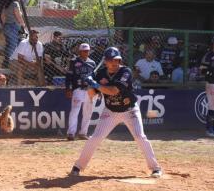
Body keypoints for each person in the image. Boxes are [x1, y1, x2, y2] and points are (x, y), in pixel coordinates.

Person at [69, 47, 162, 178]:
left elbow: (113, 91)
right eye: (110, 60)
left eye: (116, 60)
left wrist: (95, 84)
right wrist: (89, 84)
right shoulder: (100, 74)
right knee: (95, 138)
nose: (114, 62)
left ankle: (155, 168)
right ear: (105, 61)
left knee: (140, 137)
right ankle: (78, 167)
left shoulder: (126, 72)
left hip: (129, 110)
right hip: (110, 111)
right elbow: (91, 95)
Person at [65, 43, 96, 141]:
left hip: (90, 90)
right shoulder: (73, 62)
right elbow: (69, 76)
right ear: (79, 51)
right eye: (84, 51)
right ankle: (71, 133)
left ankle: (83, 133)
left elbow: (95, 78)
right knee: (74, 111)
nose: (86, 52)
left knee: (88, 112)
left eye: (87, 51)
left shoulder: (92, 63)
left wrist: (96, 90)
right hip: (78, 89)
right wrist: (68, 88)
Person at [0, 0, 26, 68]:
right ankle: (9, 62)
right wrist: (23, 24)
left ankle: (6, 61)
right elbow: (17, 15)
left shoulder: (6, 4)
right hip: (14, 26)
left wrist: (5, 24)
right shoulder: (15, 3)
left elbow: (2, 16)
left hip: (7, 26)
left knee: (10, 45)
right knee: (13, 45)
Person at [200, 37, 214, 137]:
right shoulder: (209, 55)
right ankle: (210, 129)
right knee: (212, 107)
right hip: (211, 83)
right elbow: (202, 70)